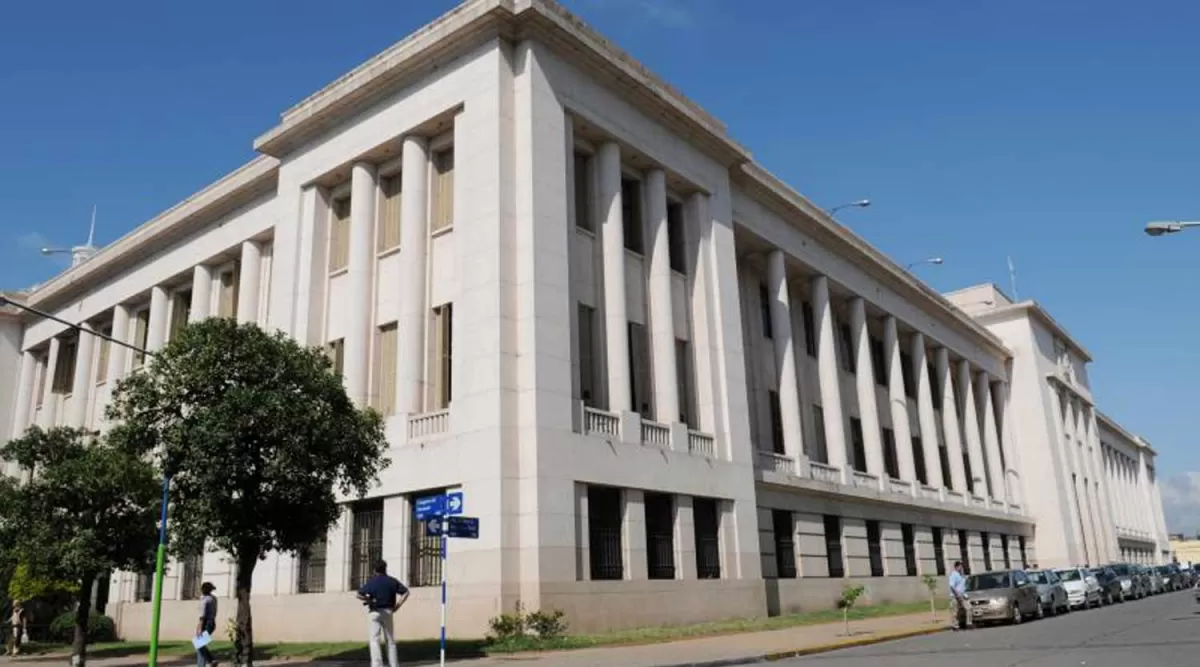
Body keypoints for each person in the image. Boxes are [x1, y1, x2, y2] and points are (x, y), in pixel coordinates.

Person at [357, 560, 410, 667]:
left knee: (374, 640)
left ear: (375, 570)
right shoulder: (392, 581)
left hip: (374, 612)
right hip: (388, 611)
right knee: (390, 640)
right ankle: (394, 664)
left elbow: (358, 595)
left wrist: (369, 600)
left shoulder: (372, 581)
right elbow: (406, 592)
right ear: (385, 568)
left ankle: (377, 665)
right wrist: (397, 606)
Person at [195, 582, 218, 667]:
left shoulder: (204, 600)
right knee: (200, 645)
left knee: (199, 644)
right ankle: (203, 664)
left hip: (206, 623)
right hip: (212, 623)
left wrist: (199, 627)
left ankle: (212, 660)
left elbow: (202, 616)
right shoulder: (214, 598)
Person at [948, 561, 972, 630]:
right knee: (955, 611)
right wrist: (957, 595)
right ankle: (955, 626)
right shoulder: (954, 575)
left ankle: (969, 624)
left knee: (969, 608)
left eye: (962, 567)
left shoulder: (961, 575)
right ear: (956, 567)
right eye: (960, 567)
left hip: (963, 595)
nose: (961, 568)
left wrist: (965, 595)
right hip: (955, 596)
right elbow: (952, 586)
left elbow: (963, 586)